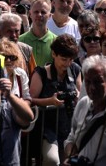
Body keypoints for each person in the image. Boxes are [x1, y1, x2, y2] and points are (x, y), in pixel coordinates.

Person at [29, 34, 82, 166]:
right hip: (47, 129)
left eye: (71, 60)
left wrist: (77, 96)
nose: (67, 64)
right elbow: (30, 100)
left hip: (70, 126)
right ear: (53, 54)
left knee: (70, 161)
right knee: (51, 160)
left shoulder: (75, 69)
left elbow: (82, 97)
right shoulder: (40, 73)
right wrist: (49, 101)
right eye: (64, 59)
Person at [19, 0, 57, 67]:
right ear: (30, 14)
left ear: (49, 16)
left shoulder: (56, 41)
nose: (39, 15)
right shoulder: (20, 41)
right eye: (36, 12)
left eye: (43, 12)